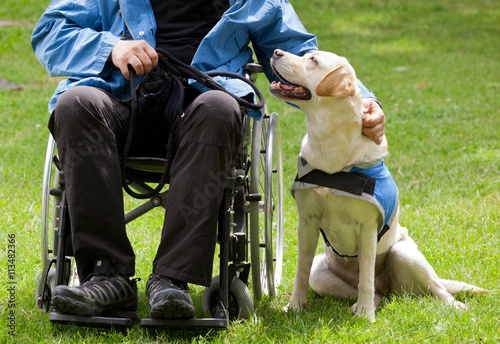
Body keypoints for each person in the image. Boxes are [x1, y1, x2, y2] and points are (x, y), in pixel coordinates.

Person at [31, 0, 386, 320]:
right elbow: (49, 32)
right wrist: (112, 47)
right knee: (74, 104)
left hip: (202, 107)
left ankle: (172, 280)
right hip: (124, 101)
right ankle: (105, 276)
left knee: (220, 107)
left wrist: (364, 105)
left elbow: (303, 56)